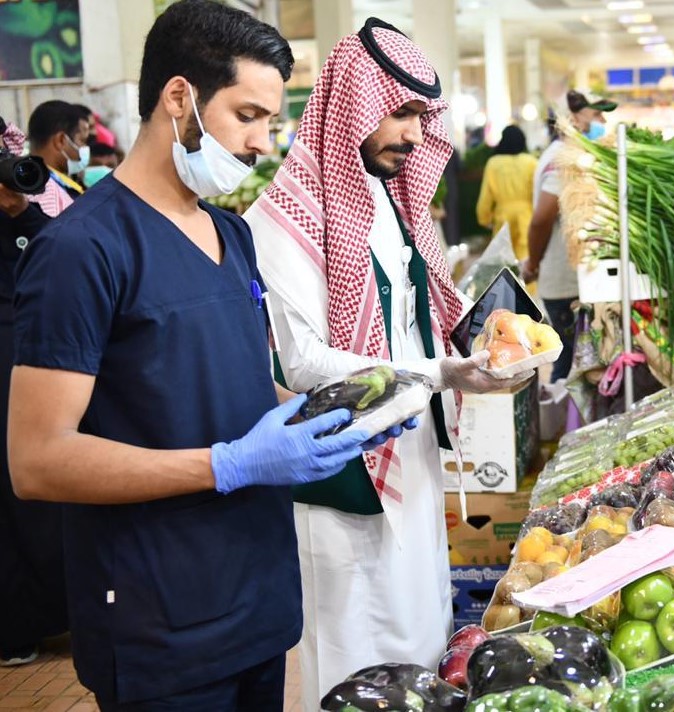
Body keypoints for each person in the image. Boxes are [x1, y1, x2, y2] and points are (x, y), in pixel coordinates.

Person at [8, 1, 409, 708]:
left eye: (271, 122)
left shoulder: (232, 236)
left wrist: (343, 412)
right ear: (179, 99)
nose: (262, 143)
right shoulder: (82, 251)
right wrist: (226, 464)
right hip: (159, 619)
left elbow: (241, 389)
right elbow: (38, 460)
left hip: (258, 601)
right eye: (247, 116)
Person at [243, 18, 533, 710]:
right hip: (344, 472)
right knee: (356, 656)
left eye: (418, 115)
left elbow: (415, 312)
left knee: (421, 633)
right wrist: (440, 373)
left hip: (410, 458)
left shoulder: (388, 196)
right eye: (399, 112)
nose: (413, 132)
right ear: (353, 104)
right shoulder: (283, 217)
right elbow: (307, 360)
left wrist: (478, 341)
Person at [0, 122, 65, 667]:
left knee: (34, 491)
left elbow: (53, 250)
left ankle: (55, 614)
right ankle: (15, 624)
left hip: (24, 342)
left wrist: (19, 211)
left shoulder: (22, 207)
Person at [522, 90, 616, 382]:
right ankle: (560, 426)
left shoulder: (573, 154)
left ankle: (563, 423)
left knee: (574, 363)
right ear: (572, 118)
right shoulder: (564, 159)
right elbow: (541, 219)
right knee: (568, 367)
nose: (602, 120)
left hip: (572, 280)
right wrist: (533, 263)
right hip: (565, 283)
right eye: (596, 113)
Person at [476, 125, 537, 259]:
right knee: (526, 260)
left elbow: (485, 197)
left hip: (503, 218)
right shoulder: (531, 162)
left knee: (504, 262)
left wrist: (484, 219)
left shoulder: (493, 163)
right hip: (526, 217)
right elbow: (537, 194)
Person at [26, 100, 89, 213]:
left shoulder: (27, 179)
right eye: (82, 140)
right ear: (60, 140)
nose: (85, 148)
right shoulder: (47, 194)